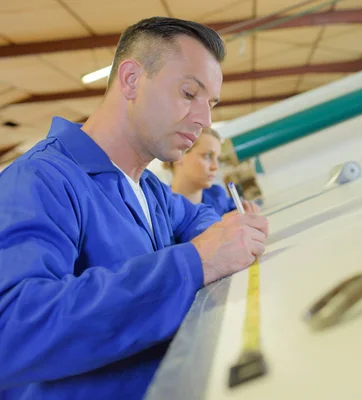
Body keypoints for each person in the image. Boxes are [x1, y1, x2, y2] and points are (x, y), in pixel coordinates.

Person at [0, 16, 269, 400]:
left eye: (210, 104)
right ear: (130, 80)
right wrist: (196, 262)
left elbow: (197, 217)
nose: (204, 119)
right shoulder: (40, 180)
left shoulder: (147, 186)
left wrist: (226, 234)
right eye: (189, 94)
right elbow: (12, 331)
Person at [164, 126, 260, 216]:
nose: (215, 167)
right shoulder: (163, 209)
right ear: (179, 156)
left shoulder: (218, 197)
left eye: (217, 158)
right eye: (207, 156)